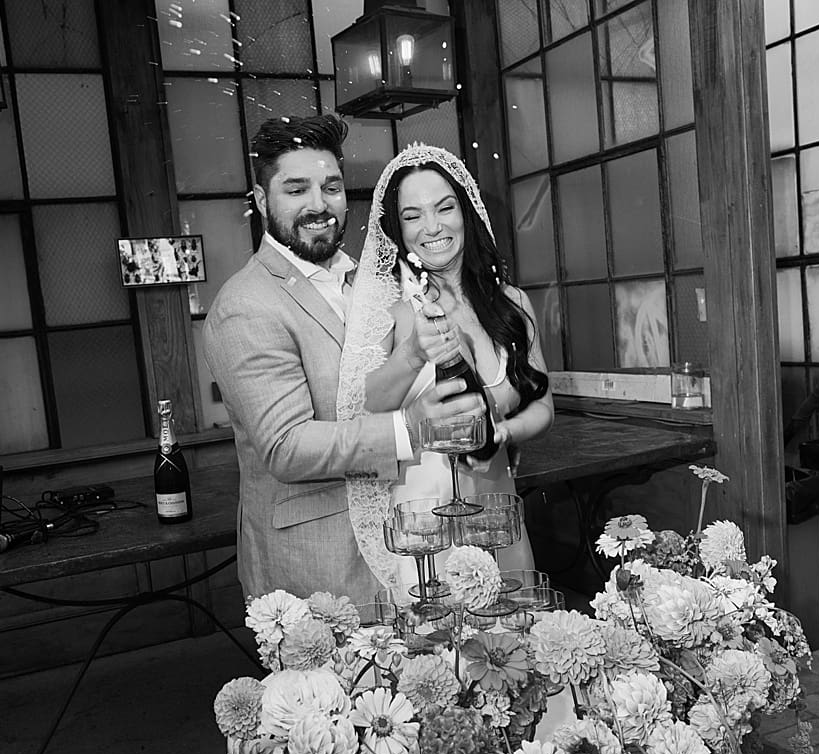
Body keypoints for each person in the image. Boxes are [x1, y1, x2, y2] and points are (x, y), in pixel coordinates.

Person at [202, 115, 484, 609]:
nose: (319, 205)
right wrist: (410, 427)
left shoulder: (368, 281)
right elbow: (286, 446)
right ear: (262, 200)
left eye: (331, 186)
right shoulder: (246, 304)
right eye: (296, 189)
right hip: (318, 565)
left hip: (406, 543)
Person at [338, 144, 555, 597]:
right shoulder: (393, 315)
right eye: (414, 216)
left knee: (511, 648)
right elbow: (365, 408)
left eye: (444, 207)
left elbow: (544, 408)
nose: (432, 227)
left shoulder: (512, 304)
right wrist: (413, 353)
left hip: (497, 510)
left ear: (466, 212)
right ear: (398, 229)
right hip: (424, 524)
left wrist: (504, 434)